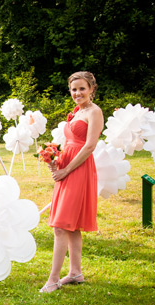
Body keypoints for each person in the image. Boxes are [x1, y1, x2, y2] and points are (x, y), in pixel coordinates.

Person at [40, 71, 103, 293]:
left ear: (91, 89)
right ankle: (75, 272)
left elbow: (89, 146)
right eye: (74, 89)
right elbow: (69, 142)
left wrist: (67, 169)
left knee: (60, 226)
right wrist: (54, 160)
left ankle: (53, 279)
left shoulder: (94, 112)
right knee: (71, 225)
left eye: (82, 88)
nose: (77, 93)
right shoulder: (76, 112)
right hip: (66, 168)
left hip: (78, 169)